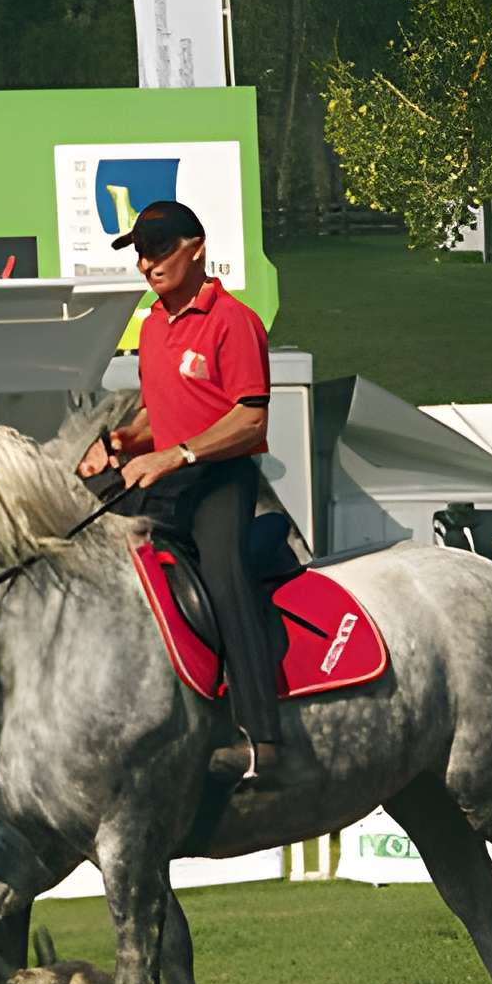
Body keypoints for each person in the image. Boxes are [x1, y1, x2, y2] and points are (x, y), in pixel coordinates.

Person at [79, 199, 282, 781]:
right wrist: (122, 442)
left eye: (161, 249)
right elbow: (156, 414)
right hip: (165, 473)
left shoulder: (233, 320)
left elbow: (250, 420)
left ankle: (262, 738)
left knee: (223, 574)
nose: (148, 263)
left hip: (220, 477)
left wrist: (178, 453)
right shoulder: (153, 327)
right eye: (141, 253)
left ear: (196, 246)